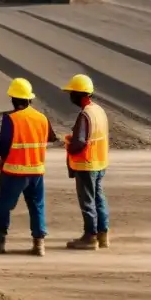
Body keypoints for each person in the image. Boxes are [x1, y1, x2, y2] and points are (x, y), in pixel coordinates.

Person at [0, 78, 59, 257]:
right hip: (37, 171)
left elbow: (2, 147)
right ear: (29, 99)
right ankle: (39, 244)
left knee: (3, 205)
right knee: (36, 206)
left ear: (13, 98)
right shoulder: (42, 118)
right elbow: (51, 137)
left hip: (14, 171)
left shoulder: (11, 119)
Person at [62, 74, 111, 250]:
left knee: (87, 201)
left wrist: (69, 146)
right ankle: (103, 235)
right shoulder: (99, 111)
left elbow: (81, 142)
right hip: (99, 163)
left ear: (79, 94)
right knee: (99, 199)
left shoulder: (85, 115)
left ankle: (90, 237)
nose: (70, 96)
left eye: (72, 93)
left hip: (86, 165)